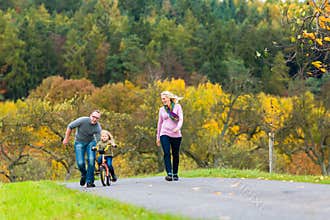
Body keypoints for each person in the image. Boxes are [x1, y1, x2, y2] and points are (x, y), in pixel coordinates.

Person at [62, 110, 102, 188]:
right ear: (90, 115)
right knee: (80, 163)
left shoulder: (98, 127)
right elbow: (70, 126)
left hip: (91, 143)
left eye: (97, 118)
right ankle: (84, 174)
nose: (94, 119)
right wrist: (66, 138)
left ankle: (89, 181)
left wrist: (97, 146)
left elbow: (98, 139)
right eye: (93, 117)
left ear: (98, 119)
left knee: (91, 159)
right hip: (79, 142)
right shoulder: (83, 120)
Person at [156, 91, 183, 181]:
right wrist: (158, 137)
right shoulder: (161, 110)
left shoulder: (177, 107)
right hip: (165, 133)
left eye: (164, 98)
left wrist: (177, 128)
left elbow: (180, 119)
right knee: (167, 153)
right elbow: (159, 124)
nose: (163, 100)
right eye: (162, 99)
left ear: (169, 98)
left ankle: (175, 173)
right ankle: (169, 173)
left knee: (175, 154)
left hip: (176, 134)